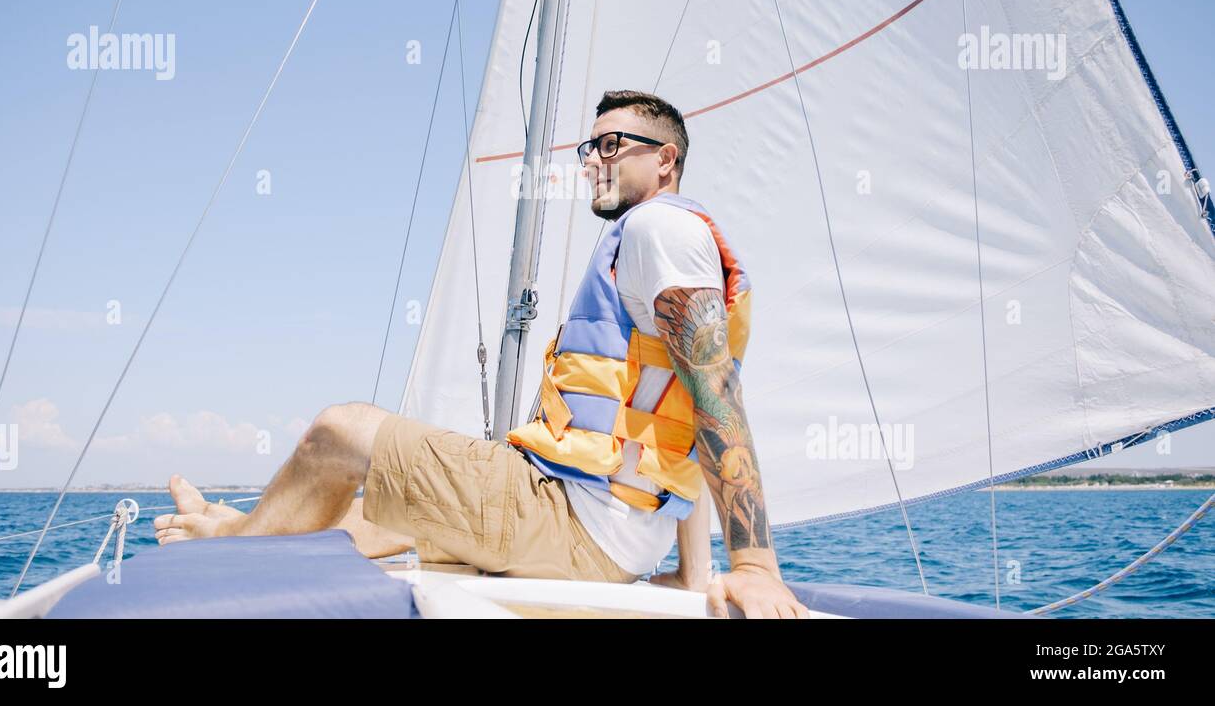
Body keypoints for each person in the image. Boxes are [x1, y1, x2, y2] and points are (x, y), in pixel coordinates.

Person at [154, 89, 809, 619]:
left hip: (570, 522)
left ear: (665, 160)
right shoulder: (661, 243)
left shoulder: (659, 227)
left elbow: (713, 391)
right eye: (590, 147)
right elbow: (677, 422)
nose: (592, 160)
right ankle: (241, 523)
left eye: (612, 145)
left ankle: (228, 543)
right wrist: (692, 573)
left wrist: (754, 567)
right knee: (367, 526)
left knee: (338, 432)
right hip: (595, 532)